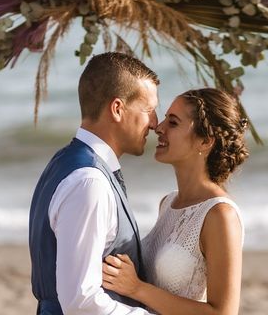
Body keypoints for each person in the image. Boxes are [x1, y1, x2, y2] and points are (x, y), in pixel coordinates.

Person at [29, 52, 160, 315]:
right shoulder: (89, 182)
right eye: (148, 110)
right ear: (117, 109)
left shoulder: (66, 162)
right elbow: (81, 301)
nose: (155, 123)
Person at [102, 88, 247, 315]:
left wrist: (137, 289)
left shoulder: (220, 214)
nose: (159, 128)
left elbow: (223, 313)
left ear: (206, 141)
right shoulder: (167, 203)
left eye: (173, 123)